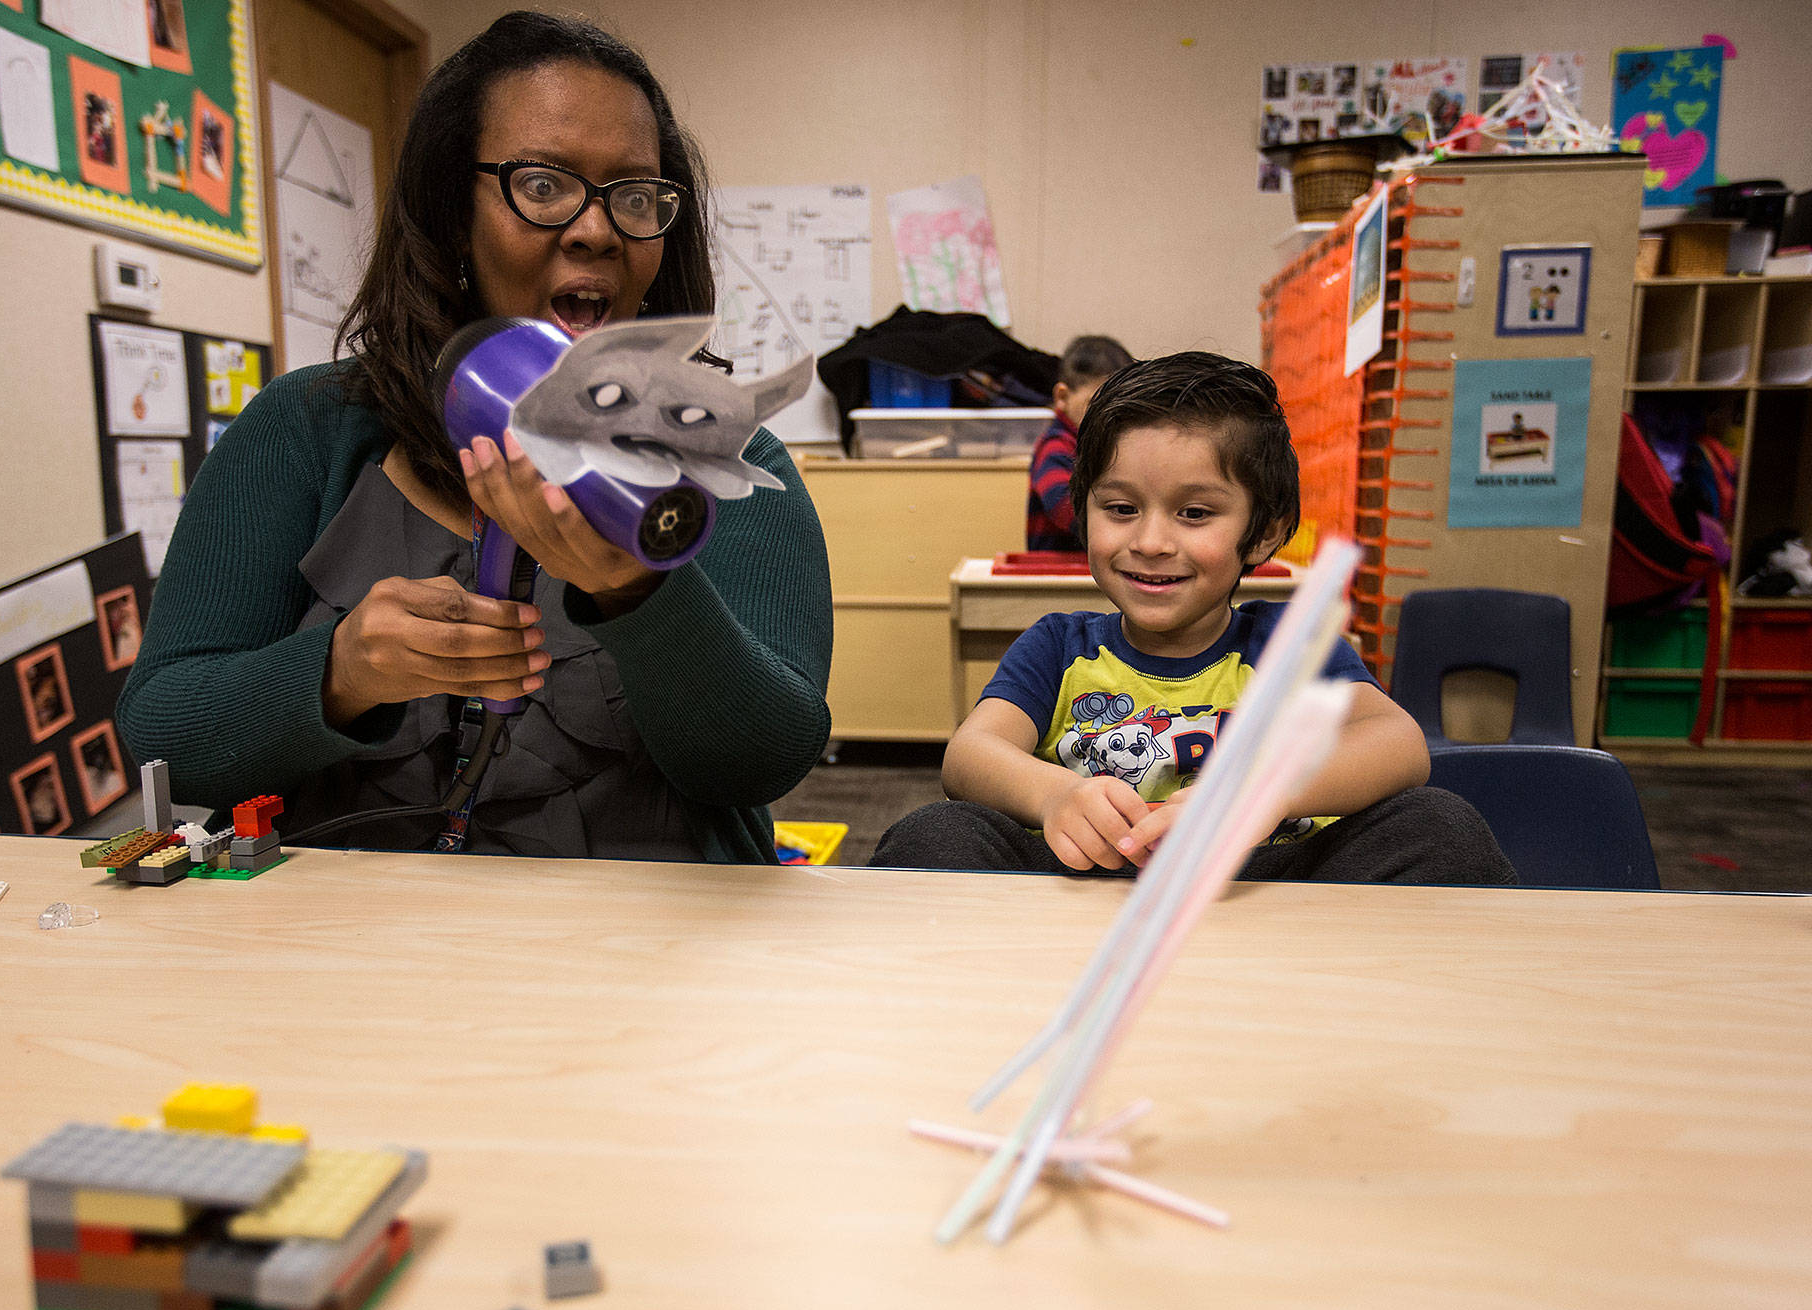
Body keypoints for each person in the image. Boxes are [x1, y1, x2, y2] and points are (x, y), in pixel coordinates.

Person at [117, 12, 831, 862]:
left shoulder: (730, 458)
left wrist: (644, 596)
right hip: (343, 958)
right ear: (457, 213)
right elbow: (164, 732)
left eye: (635, 198)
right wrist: (342, 671)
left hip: (645, 966)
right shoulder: (304, 430)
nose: (597, 229)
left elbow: (768, 757)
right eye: (543, 184)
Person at [873, 352, 1514, 885]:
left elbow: (1399, 746)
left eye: (1195, 514)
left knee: (1438, 825)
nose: (1150, 541)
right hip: (1087, 890)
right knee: (934, 831)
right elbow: (970, 754)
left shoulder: (1287, 646)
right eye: (1120, 508)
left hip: (1266, 891)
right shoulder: (1057, 646)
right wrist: (1055, 796)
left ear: (1263, 534)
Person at [1027, 335, 1132, 551]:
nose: (1108, 414)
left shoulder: (1109, 443)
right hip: (1055, 573)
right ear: (1062, 397)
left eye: (1118, 404)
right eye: (1096, 403)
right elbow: (1063, 508)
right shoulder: (1056, 445)